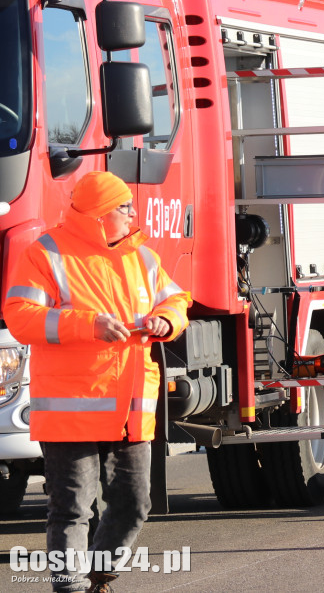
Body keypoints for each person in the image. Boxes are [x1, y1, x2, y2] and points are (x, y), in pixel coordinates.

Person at [3, 171, 190, 593]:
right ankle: (71, 587)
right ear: (101, 214)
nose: (133, 214)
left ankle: (98, 575)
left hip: (129, 411)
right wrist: (89, 325)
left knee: (135, 503)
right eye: (125, 207)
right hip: (70, 410)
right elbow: (21, 317)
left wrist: (166, 321)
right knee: (71, 509)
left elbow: (177, 299)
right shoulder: (46, 253)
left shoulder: (142, 257)